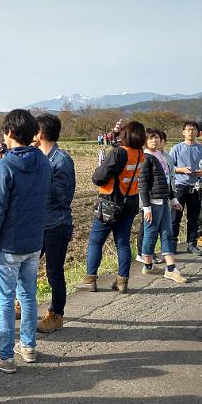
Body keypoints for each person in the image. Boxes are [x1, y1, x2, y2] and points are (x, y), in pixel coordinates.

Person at [0, 110, 51, 372]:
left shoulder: (4, 167)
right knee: (28, 295)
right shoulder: (42, 161)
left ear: (8, 133)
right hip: (33, 242)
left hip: (8, 246)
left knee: (6, 299)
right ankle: (28, 347)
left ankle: (5, 356)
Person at [75, 121, 145, 294]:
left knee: (96, 241)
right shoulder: (140, 154)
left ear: (126, 135)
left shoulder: (119, 153)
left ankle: (90, 279)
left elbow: (99, 177)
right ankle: (122, 281)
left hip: (110, 204)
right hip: (130, 204)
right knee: (122, 243)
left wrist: (100, 165)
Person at [33, 114, 75, 334]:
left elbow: (63, 195)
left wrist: (43, 174)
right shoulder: (39, 156)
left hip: (57, 224)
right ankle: (22, 303)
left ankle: (56, 315)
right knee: (27, 266)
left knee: (54, 272)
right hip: (38, 223)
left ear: (39, 133)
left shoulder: (61, 160)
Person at [138, 129, 188, 283]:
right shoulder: (146, 158)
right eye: (151, 138)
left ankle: (170, 268)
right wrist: (146, 207)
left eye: (157, 138)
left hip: (164, 200)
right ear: (145, 141)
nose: (154, 140)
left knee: (167, 232)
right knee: (151, 234)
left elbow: (166, 181)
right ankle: (148, 264)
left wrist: (173, 199)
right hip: (153, 202)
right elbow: (143, 185)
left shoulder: (160, 156)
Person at [169, 122, 202, 256]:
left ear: (197, 132)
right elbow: (169, 167)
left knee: (193, 218)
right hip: (179, 187)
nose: (190, 132)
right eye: (188, 129)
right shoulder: (176, 149)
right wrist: (181, 170)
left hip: (196, 187)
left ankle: (191, 244)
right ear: (183, 132)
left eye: (193, 129)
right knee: (175, 217)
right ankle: (172, 245)